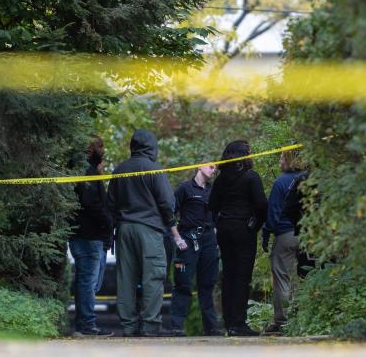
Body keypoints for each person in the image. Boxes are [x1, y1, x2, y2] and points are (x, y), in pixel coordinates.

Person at [106, 129, 180, 337]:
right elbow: (167, 202)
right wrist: (171, 223)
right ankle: (150, 326)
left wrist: (112, 231)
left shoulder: (119, 170)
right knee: (153, 276)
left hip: (123, 229)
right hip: (149, 229)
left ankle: (128, 326)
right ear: (152, 148)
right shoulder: (154, 169)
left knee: (126, 278)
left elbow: (109, 203)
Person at [209, 140, 267, 337]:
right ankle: (239, 323)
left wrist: (220, 223)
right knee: (242, 276)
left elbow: (212, 206)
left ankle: (229, 322)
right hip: (243, 227)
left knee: (229, 276)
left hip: (225, 227)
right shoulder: (251, 177)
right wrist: (255, 226)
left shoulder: (220, 179)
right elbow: (261, 205)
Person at [168, 164, 221, 336]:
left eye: (216, 168)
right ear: (200, 166)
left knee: (207, 284)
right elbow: (170, 214)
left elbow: (217, 216)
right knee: (182, 283)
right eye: (211, 166)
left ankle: (211, 327)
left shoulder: (214, 191)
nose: (214, 170)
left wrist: (216, 239)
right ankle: (176, 326)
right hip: (188, 241)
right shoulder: (185, 188)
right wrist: (177, 237)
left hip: (208, 241)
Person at [68, 135, 112, 337]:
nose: (103, 151)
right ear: (92, 149)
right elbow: (91, 202)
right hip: (89, 236)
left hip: (81, 234)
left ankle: (83, 323)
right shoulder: (88, 172)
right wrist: (107, 221)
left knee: (85, 281)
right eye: (100, 147)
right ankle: (87, 324)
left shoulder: (81, 171)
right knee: (88, 282)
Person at [261, 150, 304, 334]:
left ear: (289, 160)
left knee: (282, 278)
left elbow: (273, 212)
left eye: (282, 157)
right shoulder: (308, 179)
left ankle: (283, 321)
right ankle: (304, 317)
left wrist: (266, 233)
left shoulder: (281, 182)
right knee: (305, 276)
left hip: (285, 233)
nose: (279, 160)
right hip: (308, 234)